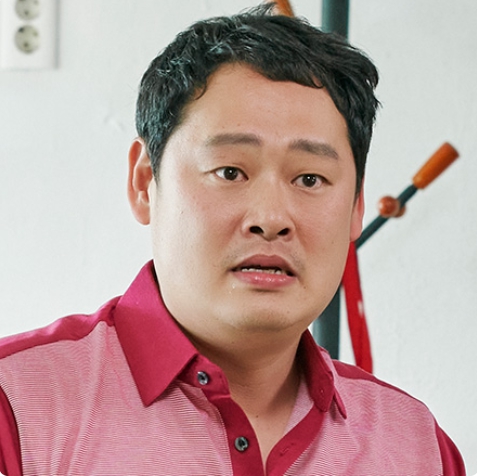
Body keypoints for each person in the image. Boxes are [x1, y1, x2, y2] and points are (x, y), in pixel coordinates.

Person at [0, 3, 465, 475]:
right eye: (229, 171)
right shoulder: (16, 410)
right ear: (143, 182)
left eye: (309, 179)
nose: (271, 219)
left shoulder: (417, 447)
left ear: (356, 207)